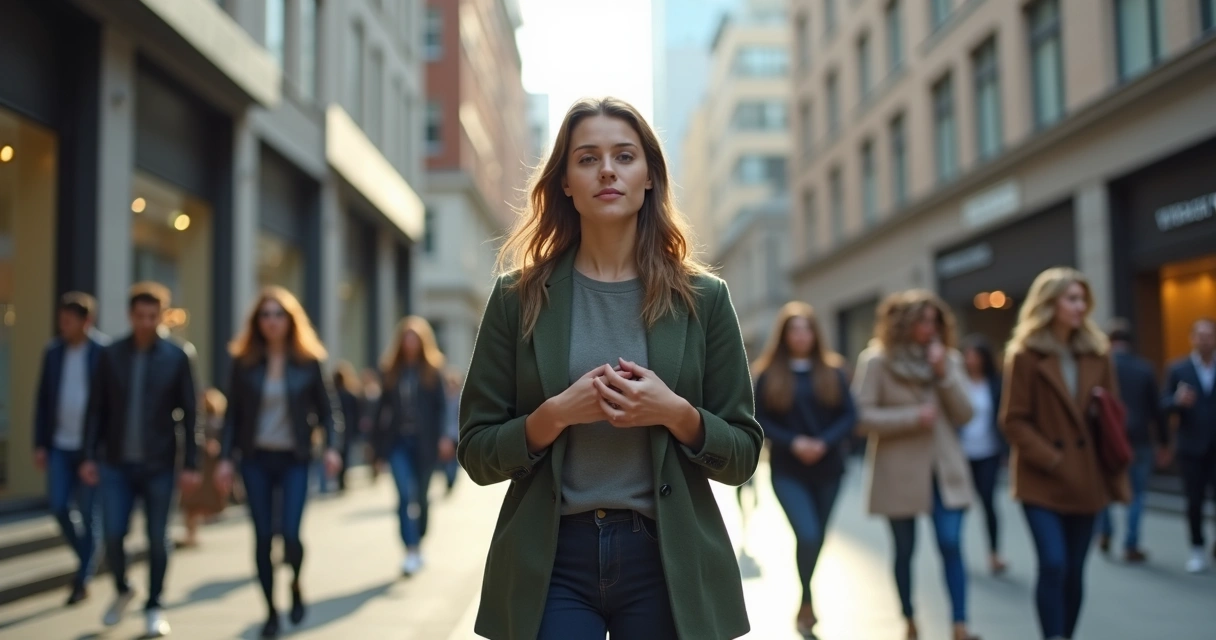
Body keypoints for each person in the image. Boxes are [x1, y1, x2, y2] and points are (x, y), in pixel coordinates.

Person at [458, 96, 762, 640]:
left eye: (624, 156)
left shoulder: (703, 299)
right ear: (566, 182)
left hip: (666, 558)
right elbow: (477, 452)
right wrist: (552, 416)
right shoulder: (517, 298)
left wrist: (675, 413)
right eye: (587, 158)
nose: (607, 171)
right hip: (551, 557)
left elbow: (741, 454)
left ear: (649, 177)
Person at [1001, 267, 1129, 640]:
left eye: (1082, 299)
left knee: (1074, 569)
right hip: (1042, 478)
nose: (1080, 307)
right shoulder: (1025, 354)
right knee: (1053, 564)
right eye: (1071, 299)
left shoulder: (1097, 351)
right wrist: (1052, 459)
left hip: (1087, 477)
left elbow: (1113, 412)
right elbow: (1013, 421)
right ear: (1049, 303)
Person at [214, 286, 343, 639]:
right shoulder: (244, 363)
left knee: (290, 534)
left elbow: (328, 412)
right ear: (257, 322)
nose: (272, 321)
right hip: (255, 460)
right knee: (261, 537)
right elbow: (232, 417)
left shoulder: (308, 361)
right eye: (266, 315)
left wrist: (332, 448)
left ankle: (297, 584)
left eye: (278, 315)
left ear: (290, 320)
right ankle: (270, 610)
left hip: (295, 460)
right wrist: (225, 460)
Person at [853, 290, 978, 640]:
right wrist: (912, 416)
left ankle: (960, 623)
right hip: (899, 471)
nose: (930, 328)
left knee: (951, 543)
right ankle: (908, 616)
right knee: (904, 551)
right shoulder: (876, 361)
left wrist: (944, 374)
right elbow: (862, 417)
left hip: (945, 470)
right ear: (903, 324)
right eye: (922, 320)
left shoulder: (948, 360)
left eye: (935, 320)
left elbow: (966, 414)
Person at [80, 282, 200, 638]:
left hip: (160, 463)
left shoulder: (178, 356)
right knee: (114, 534)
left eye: (154, 316)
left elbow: (192, 414)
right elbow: (95, 410)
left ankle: (155, 604)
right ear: (131, 315)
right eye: (141, 316)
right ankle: (123, 588)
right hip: (116, 462)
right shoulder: (111, 354)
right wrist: (89, 456)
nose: (147, 323)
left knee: (157, 535)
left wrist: (191, 464)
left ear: (162, 316)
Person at [752, 301, 856, 639]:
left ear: (815, 333)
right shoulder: (768, 373)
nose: (801, 335)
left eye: (806, 328)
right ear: (784, 335)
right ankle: (807, 599)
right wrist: (794, 442)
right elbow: (759, 420)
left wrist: (824, 442)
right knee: (807, 534)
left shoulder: (833, 370)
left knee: (817, 539)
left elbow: (850, 416)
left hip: (829, 469)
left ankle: (806, 596)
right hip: (788, 470)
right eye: (794, 329)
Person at [33, 292, 108, 606]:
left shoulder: (103, 352)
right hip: (60, 445)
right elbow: (43, 400)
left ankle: (83, 577)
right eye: (60, 320)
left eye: (68, 320)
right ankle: (87, 558)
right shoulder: (53, 352)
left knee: (88, 511)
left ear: (85, 321)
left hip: (90, 448)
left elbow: (109, 404)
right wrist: (40, 443)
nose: (62, 326)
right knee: (60, 506)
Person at [372, 316, 448, 576]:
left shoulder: (433, 371)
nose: (410, 343)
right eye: (406, 338)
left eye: (414, 338)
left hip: (425, 444)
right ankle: (411, 549)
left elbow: (441, 409)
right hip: (398, 444)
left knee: (422, 498)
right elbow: (380, 412)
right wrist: (377, 450)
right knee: (404, 496)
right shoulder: (391, 371)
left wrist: (444, 438)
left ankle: (419, 537)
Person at [1096, 319, 1168, 563]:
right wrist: (1165, 441)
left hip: (1106, 440)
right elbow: (1156, 409)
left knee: (1104, 489)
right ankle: (1131, 543)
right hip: (1139, 439)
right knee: (1136, 494)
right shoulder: (1143, 368)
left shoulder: (1101, 367)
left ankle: (1105, 531)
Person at [1161, 317, 1216, 574]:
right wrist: (1177, 401)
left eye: (1210, 335)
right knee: (1194, 501)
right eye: (1201, 335)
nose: (1205, 340)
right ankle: (1197, 548)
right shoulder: (1178, 369)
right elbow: (1163, 403)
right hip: (1191, 446)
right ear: (1192, 338)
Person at [959, 334, 1009, 575]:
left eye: (975, 355)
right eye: (968, 355)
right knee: (961, 505)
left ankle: (994, 552)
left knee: (988, 503)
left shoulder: (995, 383)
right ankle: (958, 554)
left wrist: (1006, 451)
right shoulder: (959, 382)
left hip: (988, 452)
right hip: (962, 454)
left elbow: (1004, 419)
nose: (971, 360)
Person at [178, 388, 229, 548]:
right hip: (199, 464)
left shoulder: (216, 420)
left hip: (207, 465)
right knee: (192, 502)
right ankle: (191, 534)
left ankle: (192, 534)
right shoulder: (198, 419)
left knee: (195, 502)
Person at [333, 361, 363, 493]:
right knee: (345, 454)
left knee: (340, 453)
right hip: (348, 429)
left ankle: (340, 479)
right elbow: (357, 414)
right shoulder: (349, 395)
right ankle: (341, 478)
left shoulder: (334, 395)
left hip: (339, 429)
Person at [439, 370, 463, 495]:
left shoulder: (461, 399)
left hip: (456, 434)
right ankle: (448, 479)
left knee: (453, 459)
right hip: (445, 433)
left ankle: (451, 479)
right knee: (445, 459)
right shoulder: (443, 398)